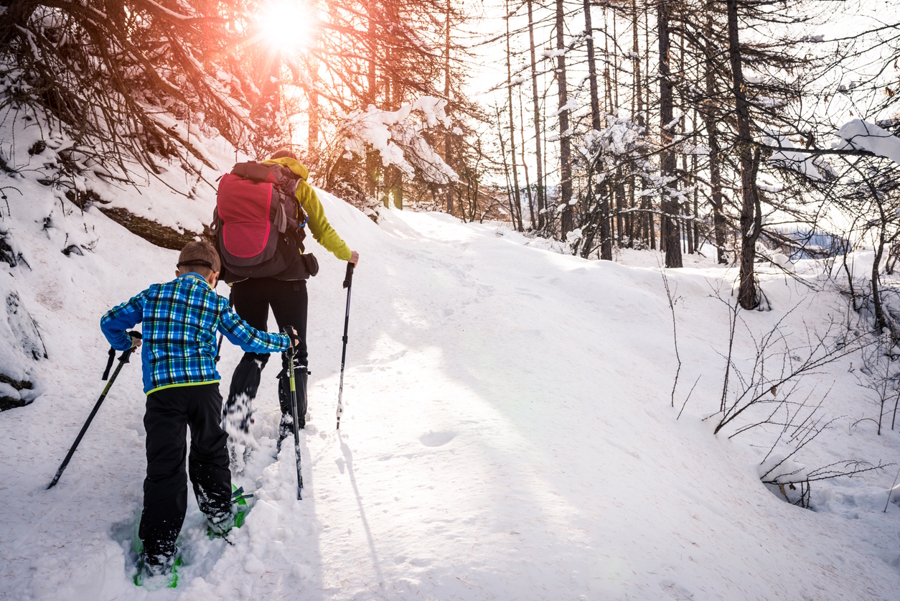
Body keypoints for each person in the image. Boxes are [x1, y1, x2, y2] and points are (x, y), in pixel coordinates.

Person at [100, 241, 300, 585]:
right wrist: (285, 341)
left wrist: (126, 342)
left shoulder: (152, 295)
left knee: (165, 467)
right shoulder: (214, 301)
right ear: (214, 276)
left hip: (162, 393)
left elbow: (109, 321)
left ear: (178, 271)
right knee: (210, 451)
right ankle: (219, 514)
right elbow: (249, 339)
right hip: (203, 389)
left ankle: (159, 555)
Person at [223, 148, 359, 445]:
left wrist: (229, 274)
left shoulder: (241, 183)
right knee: (295, 349)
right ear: (293, 162)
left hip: (244, 279)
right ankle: (292, 420)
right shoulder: (297, 185)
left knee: (254, 349)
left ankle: (236, 417)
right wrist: (347, 254)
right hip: (288, 280)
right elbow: (322, 230)